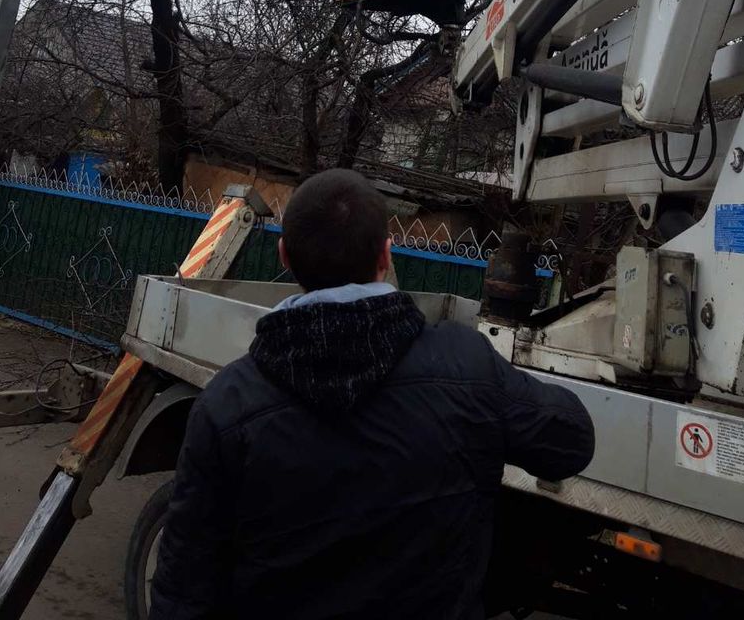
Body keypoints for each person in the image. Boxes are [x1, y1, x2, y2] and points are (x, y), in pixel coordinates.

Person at [150, 168, 594, 620]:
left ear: (284, 255)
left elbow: (183, 591)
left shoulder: (226, 405)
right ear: (385, 255)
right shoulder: (467, 366)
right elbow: (571, 442)